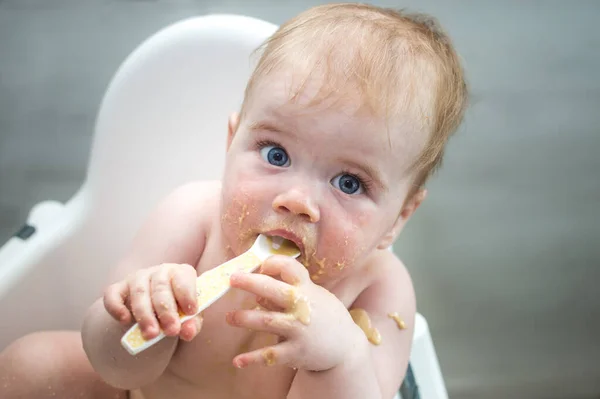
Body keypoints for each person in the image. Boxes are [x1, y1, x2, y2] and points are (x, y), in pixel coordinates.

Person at [0, 3, 467, 398]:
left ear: (398, 218)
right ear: (231, 142)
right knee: (31, 363)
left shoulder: (378, 290)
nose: (297, 200)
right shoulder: (193, 217)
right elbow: (115, 369)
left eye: (349, 183)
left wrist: (339, 359)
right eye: (276, 154)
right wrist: (145, 312)